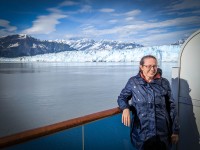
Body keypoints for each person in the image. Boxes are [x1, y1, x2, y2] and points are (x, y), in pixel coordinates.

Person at [117, 55, 179, 150]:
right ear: (141, 67)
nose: (152, 69)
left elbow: (171, 107)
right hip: (142, 133)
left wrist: (175, 131)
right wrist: (125, 108)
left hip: (162, 133)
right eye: (148, 66)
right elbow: (122, 97)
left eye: (154, 66)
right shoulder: (133, 82)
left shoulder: (164, 83)